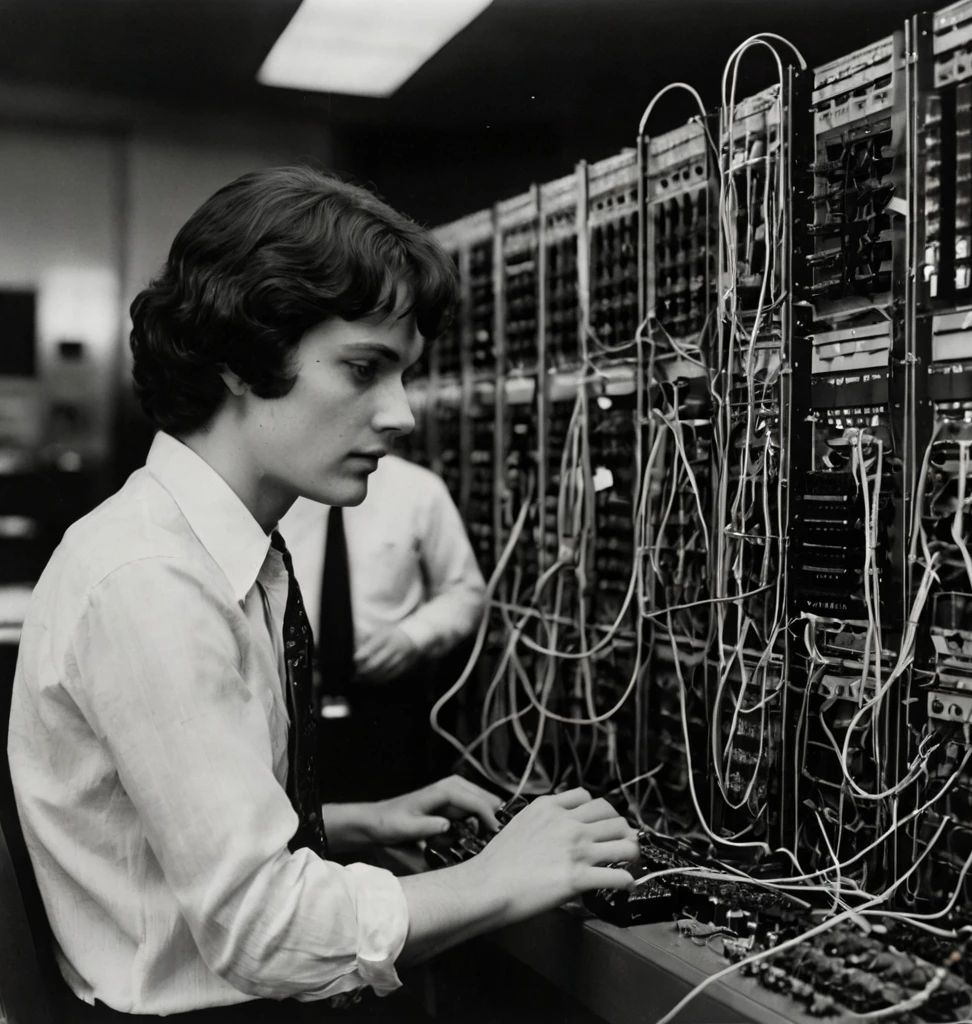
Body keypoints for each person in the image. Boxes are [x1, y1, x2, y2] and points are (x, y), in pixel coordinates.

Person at [7, 166, 638, 1021]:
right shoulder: (151, 582)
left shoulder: (213, 550)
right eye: (364, 368)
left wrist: (342, 824)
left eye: (404, 373)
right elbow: (265, 932)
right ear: (240, 359)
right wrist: (496, 877)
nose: (402, 414)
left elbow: (151, 839)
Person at [280, 455, 485, 801]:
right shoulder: (278, 489)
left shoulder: (418, 490)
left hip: (390, 703)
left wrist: (413, 637)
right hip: (293, 701)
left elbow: (466, 591)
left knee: (398, 826)